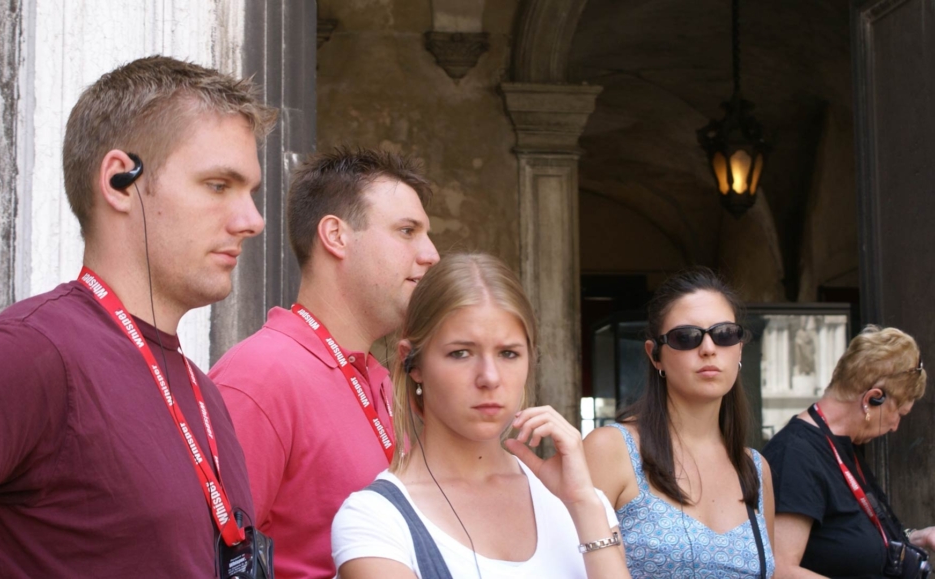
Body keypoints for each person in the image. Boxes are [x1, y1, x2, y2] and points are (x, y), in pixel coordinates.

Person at [0, 56, 276, 578]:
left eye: (251, 193)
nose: (252, 220)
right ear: (120, 181)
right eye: (219, 185)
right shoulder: (26, 358)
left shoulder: (202, 392)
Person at [208, 147, 440, 578]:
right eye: (407, 231)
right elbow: (206, 561)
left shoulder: (380, 379)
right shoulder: (260, 377)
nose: (431, 254)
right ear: (336, 236)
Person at [332, 253, 630, 579]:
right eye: (461, 353)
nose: (489, 377)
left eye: (508, 353)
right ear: (412, 362)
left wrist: (583, 503)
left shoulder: (582, 503)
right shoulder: (375, 519)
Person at [583, 267, 776, 578]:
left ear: (739, 346)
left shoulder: (753, 467)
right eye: (685, 337)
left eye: (725, 333)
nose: (709, 349)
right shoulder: (613, 449)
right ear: (655, 355)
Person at [764, 325, 934, 578]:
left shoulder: (842, 446)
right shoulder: (795, 455)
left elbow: (845, 542)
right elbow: (780, 569)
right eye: (899, 413)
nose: (895, 426)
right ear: (872, 398)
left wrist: (916, 538)